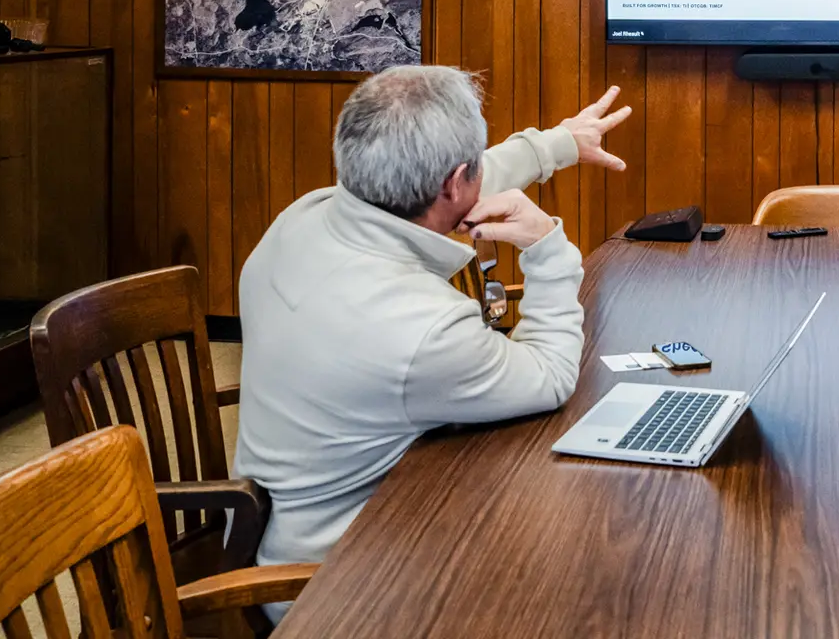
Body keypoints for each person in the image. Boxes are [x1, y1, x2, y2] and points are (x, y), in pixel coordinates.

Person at [234, 65, 631, 583]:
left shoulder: (303, 217)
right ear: (454, 183)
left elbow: (448, 178)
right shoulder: (424, 330)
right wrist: (547, 248)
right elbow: (552, 374)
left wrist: (558, 145)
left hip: (281, 531)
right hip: (337, 586)